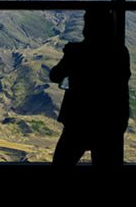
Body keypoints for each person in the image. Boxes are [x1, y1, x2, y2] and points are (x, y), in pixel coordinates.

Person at [49, 9, 130, 166]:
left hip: (79, 120)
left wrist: (69, 56)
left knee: (62, 163)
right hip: (109, 121)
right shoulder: (120, 52)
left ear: (88, 27)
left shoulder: (76, 52)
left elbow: (55, 75)